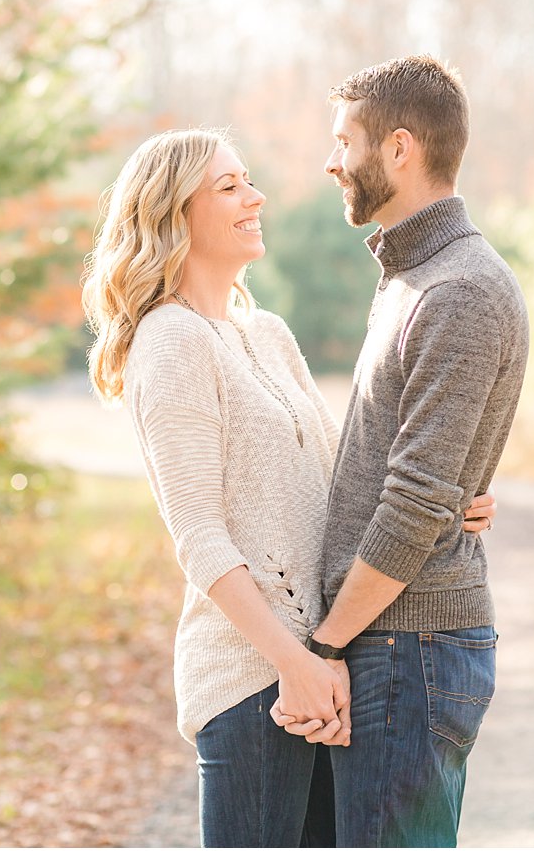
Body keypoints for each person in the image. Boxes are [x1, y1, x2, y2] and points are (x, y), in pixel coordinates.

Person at [80, 128, 498, 847]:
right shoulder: (169, 342)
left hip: (323, 675)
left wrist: (450, 499)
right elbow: (200, 539)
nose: (256, 196)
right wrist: (292, 661)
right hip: (252, 683)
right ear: (174, 212)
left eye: (248, 179)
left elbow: (343, 484)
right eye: (230, 186)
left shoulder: (267, 334)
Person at [270, 56, 530, 847]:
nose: (329, 159)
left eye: (343, 139)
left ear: (400, 149)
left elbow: (416, 501)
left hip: (407, 651)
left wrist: (325, 644)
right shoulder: (413, 278)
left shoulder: (459, 289)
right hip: (392, 644)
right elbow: (423, 471)